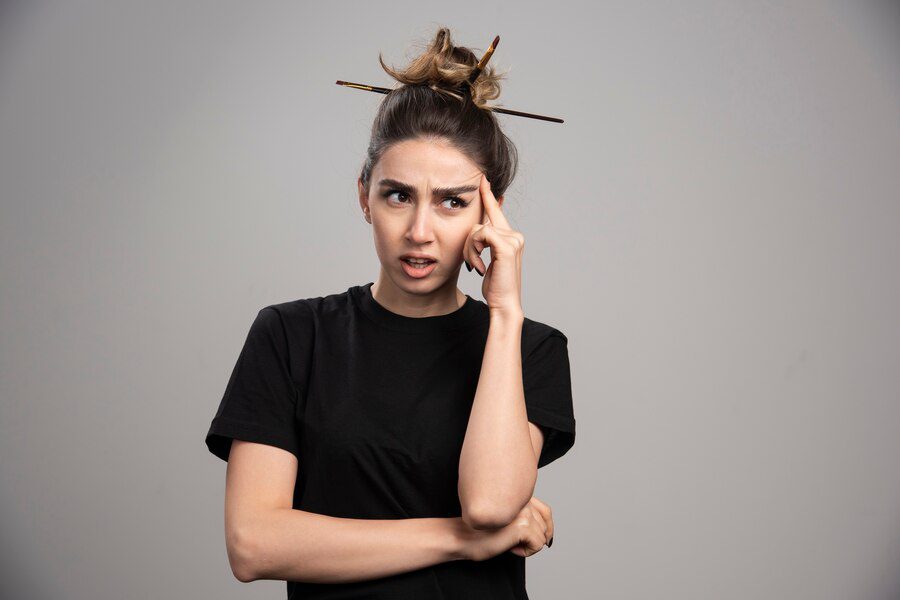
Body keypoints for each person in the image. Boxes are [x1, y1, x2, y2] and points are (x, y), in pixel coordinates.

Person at [204, 26, 576, 599]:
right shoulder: (291, 336)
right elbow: (253, 545)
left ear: (490, 214)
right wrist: (460, 541)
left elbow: (489, 503)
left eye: (452, 202)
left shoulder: (531, 348)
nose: (420, 232)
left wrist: (504, 313)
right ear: (364, 197)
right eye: (398, 195)